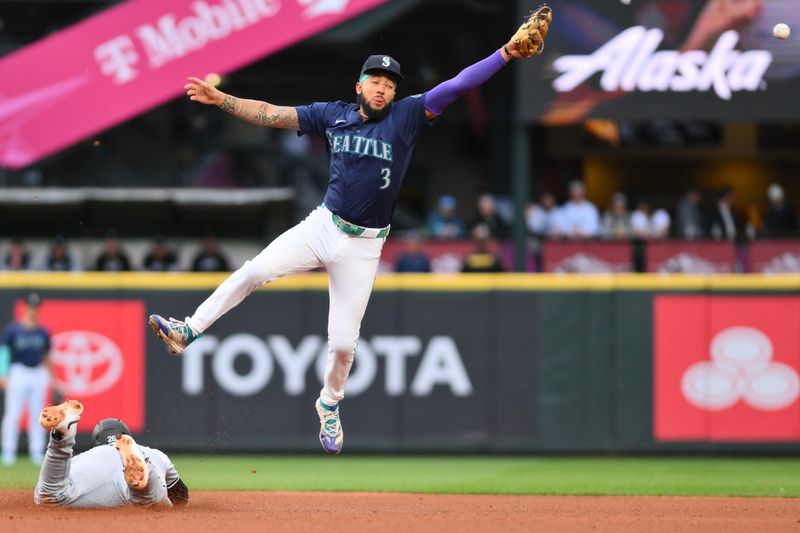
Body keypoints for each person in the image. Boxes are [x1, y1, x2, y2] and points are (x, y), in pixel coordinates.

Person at [148, 21, 550, 455]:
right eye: (375, 80)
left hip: (365, 245)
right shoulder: (331, 114)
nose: (382, 88)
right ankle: (188, 330)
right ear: (358, 85)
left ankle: (329, 403)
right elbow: (272, 112)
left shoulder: (407, 116)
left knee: (342, 345)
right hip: (324, 225)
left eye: (389, 84)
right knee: (255, 270)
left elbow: (458, 84)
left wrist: (506, 53)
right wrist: (222, 99)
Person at [35, 400, 189, 508]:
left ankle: (61, 439)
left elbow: (48, 486)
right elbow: (181, 495)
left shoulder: (86, 456)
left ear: (95, 442)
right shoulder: (156, 453)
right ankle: (144, 477)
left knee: (51, 496)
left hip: (97, 481)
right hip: (142, 459)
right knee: (150, 501)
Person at [0, 293, 54, 465]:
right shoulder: (13, 329)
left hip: (38, 372)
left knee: (37, 414)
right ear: (25, 308)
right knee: (13, 413)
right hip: (18, 371)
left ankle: (36, 451)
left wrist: (53, 377)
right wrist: (3, 374)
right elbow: (4, 352)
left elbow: (47, 356)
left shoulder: (43, 331)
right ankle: (8, 452)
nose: (33, 310)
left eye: (36, 307)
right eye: (31, 306)